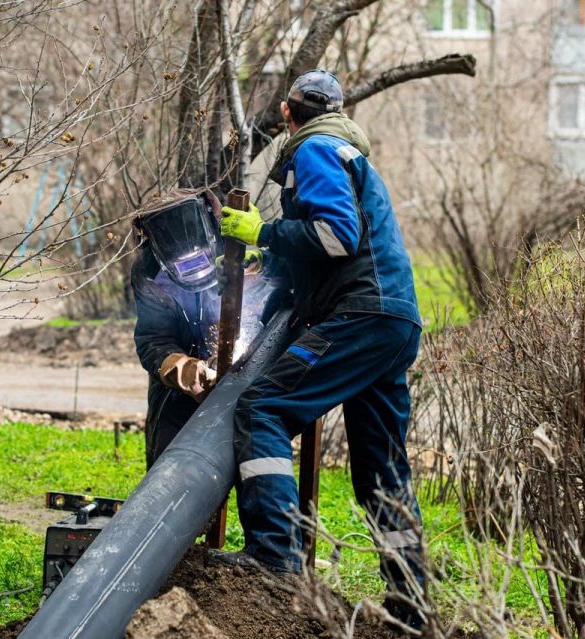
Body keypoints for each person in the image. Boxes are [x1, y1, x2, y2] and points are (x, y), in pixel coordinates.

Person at [217, 69, 427, 631]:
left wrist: (259, 233)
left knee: (263, 408)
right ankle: (412, 602)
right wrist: (277, 263)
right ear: (336, 106)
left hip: (360, 315)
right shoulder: (352, 153)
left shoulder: (314, 149)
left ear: (288, 114)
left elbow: (336, 236)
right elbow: (330, 245)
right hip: (394, 321)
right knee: (382, 473)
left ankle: (275, 562)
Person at [131, 188, 265, 468]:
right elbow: (153, 339)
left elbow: (261, 310)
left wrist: (237, 354)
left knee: (252, 471)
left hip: (246, 389)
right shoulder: (148, 271)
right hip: (175, 395)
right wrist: (186, 370)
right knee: (167, 474)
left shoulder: (238, 246)